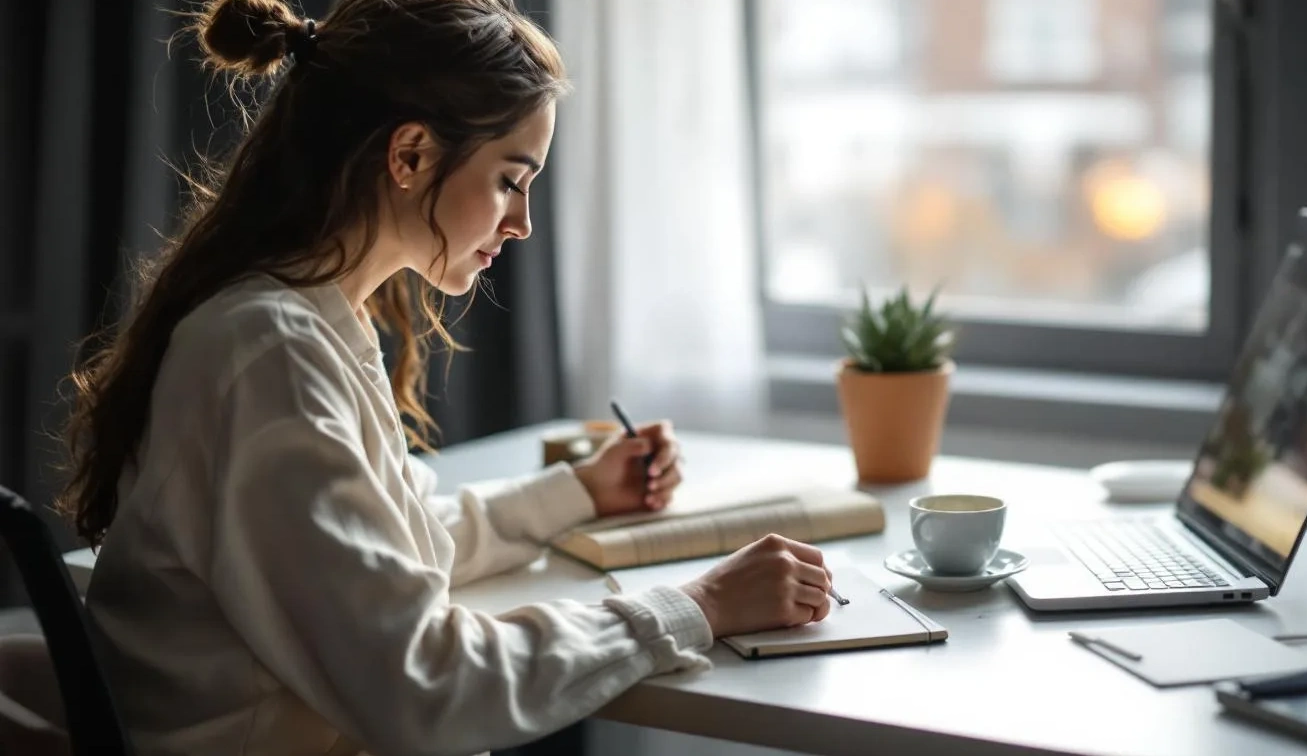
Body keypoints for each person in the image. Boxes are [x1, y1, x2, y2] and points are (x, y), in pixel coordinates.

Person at [56, 1, 836, 754]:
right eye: (510, 180)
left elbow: (401, 546)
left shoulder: (307, 324)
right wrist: (698, 605)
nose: (521, 222)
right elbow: (423, 684)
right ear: (410, 155)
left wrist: (580, 492)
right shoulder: (271, 355)